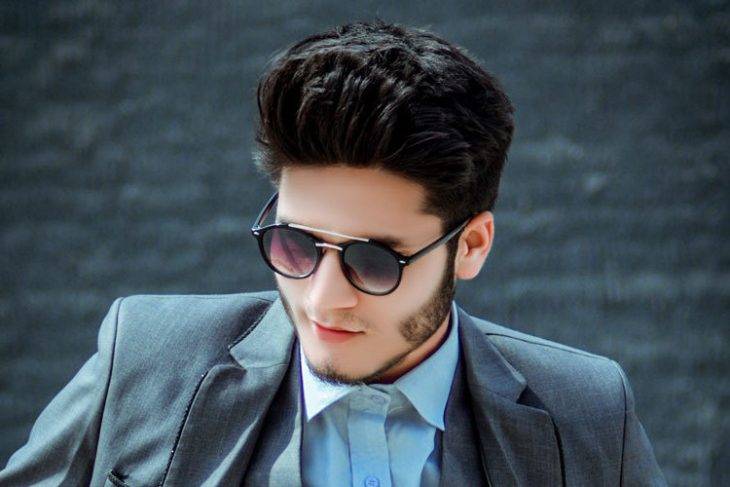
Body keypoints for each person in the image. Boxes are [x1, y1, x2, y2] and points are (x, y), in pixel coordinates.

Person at [0, 20, 665, 487]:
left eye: (374, 261)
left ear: (470, 246)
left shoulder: (587, 411)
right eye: (296, 244)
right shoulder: (144, 359)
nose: (322, 297)